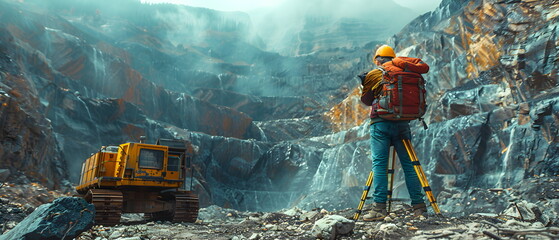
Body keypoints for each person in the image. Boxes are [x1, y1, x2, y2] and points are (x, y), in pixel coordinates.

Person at [358, 45, 427, 221]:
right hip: (403, 123)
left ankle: (379, 209)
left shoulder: (377, 73)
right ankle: (419, 208)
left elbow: (366, 100)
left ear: (378, 59)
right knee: (410, 166)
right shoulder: (409, 72)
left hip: (381, 124)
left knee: (379, 165)